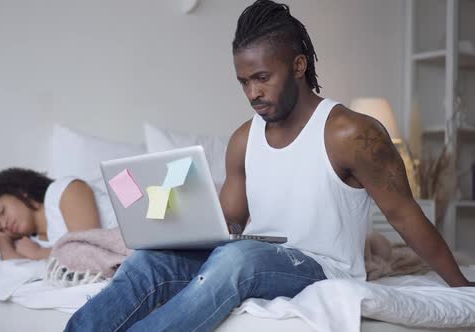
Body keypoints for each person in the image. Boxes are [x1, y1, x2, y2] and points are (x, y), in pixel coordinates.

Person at [65, 1, 474, 331]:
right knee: (147, 262)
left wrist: (461, 288)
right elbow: (230, 223)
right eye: (244, 82)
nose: (253, 92)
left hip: (322, 269)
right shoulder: (244, 139)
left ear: (298, 66)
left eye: (262, 77)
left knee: (237, 260)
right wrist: (172, 225)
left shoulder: (352, 133)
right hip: (255, 256)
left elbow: (406, 216)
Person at [0, 168, 101, 260]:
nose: (4, 225)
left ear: (20, 192)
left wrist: (38, 253)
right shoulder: (36, 242)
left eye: (1, 212)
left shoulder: (64, 190)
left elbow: (88, 252)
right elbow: (13, 268)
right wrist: (4, 241)